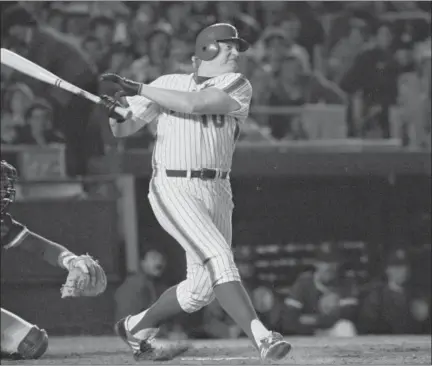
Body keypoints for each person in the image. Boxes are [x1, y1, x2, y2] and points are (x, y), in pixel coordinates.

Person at [99, 23, 292, 362]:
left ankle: (136, 326)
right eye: (228, 45)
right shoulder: (167, 83)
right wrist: (116, 112)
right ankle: (261, 336)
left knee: (199, 291)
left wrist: (139, 88)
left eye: (236, 46)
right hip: (174, 185)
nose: (236, 52)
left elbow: (199, 103)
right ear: (207, 49)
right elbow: (125, 128)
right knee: (220, 257)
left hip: (218, 188)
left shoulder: (237, 84)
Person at [0, 160, 107, 360]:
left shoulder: (2, 224)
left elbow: (41, 247)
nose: (3, 192)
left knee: (33, 342)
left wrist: (72, 261)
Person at [1, 4, 104, 176]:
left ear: (18, 26)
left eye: (11, 30)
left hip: (79, 85)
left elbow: (37, 75)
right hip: (71, 86)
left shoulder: (43, 40)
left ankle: (73, 175)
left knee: (68, 131)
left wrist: (12, 80)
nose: (11, 35)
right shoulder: (36, 39)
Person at [284, 244, 359, 336]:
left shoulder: (346, 281)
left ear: (339, 263)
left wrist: (313, 320)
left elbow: (350, 315)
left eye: (332, 262)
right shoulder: (304, 282)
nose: (328, 267)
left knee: (346, 327)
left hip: (334, 332)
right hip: (309, 335)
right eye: (324, 262)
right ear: (316, 264)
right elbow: (289, 319)